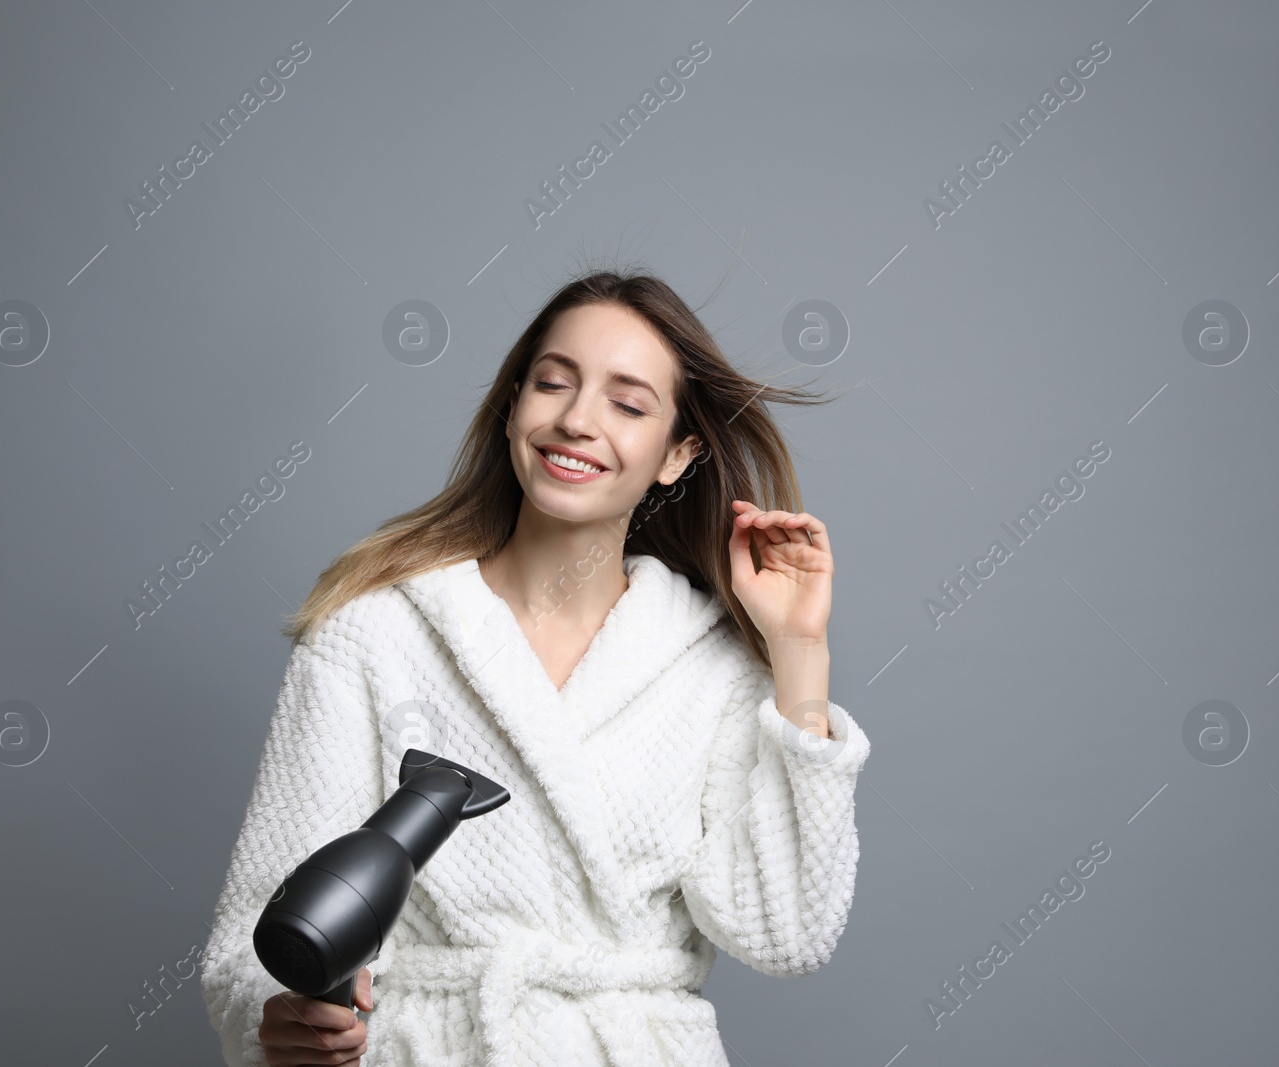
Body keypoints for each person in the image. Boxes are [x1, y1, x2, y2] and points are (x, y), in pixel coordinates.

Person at [200, 267, 872, 1066]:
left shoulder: (711, 670)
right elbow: (259, 927)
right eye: (553, 384)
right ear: (516, 404)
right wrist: (285, 1023)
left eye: (627, 404)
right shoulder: (374, 633)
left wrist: (799, 654)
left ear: (676, 453)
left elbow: (786, 930)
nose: (578, 420)